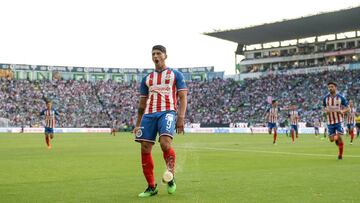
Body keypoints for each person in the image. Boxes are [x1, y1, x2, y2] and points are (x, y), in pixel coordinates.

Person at [133, 45, 187, 197]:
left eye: (158, 53)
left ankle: (170, 175)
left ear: (165, 56)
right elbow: (142, 104)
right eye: (153, 54)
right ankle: (151, 187)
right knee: (144, 147)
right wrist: (137, 124)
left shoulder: (175, 74)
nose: (155, 56)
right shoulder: (147, 79)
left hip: (167, 112)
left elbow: (183, 97)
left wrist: (181, 118)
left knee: (165, 143)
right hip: (149, 115)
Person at [323, 82, 349, 160]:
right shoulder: (325, 98)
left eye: (332, 87)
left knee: (340, 136)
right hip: (330, 122)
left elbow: (348, 108)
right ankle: (337, 140)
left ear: (335, 88)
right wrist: (325, 111)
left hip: (339, 121)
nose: (330, 88)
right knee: (331, 140)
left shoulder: (341, 97)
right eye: (329, 87)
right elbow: (324, 107)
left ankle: (340, 155)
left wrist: (342, 111)